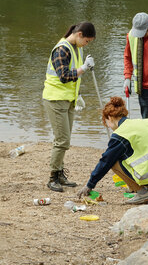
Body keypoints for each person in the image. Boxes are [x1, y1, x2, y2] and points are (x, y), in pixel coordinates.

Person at [77, 96, 148, 205]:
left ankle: (142, 192)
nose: (109, 127)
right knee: (131, 153)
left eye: (107, 123)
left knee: (114, 161)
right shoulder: (146, 122)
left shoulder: (120, 134)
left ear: (110, 118)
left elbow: (105, 161)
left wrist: (90, 184)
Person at [42, 21, 96, 192]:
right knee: (62, 140)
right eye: (87, 41)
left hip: (69, 99)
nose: (87, 44)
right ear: (79, 34)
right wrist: (84, 68)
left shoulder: (77, 48)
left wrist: (78, 95)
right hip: (55, 99)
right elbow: (64, 76)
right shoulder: (62, 49)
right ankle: (52, 178)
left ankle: (60, 174)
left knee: (64, 139)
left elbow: (74, 76)